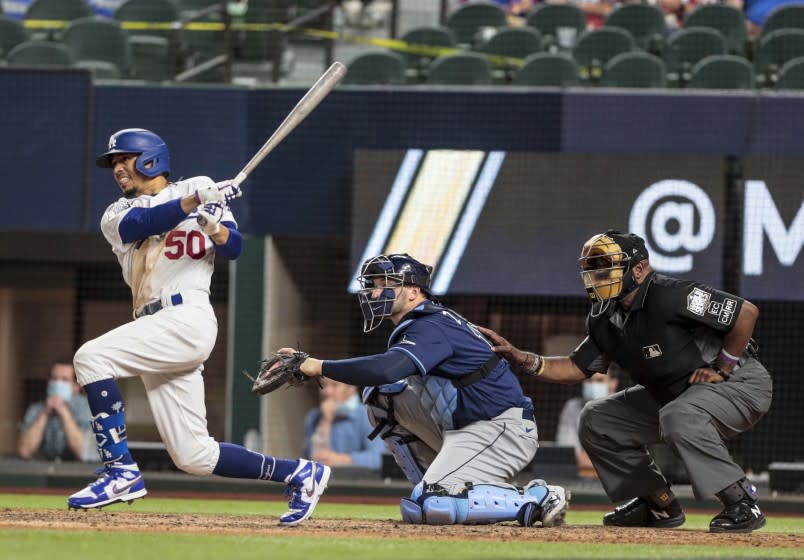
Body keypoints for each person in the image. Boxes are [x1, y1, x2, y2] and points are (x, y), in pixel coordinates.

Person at [67, 128, 329, 526]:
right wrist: (194, 204)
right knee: (194, 456)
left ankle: (120, 472)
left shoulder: (200, 185)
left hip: (186, 315)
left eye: (125, 158)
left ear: (151, 158)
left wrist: (211, 223)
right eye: (114, 162)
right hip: (152, 324)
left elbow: (234, 248)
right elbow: (144, 222)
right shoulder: (115, 213)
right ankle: (299, 474)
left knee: (91, 357)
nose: (117, 167)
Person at [478, 230, 772, 534]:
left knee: (677, 415)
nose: (595, 275)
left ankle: (741, 502)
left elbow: (745, 313)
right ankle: (657, 504)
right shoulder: (604, 316)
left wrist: (723, 367)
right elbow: (576, 368)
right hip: (676, 395)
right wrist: (521, 357)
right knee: (597, 419)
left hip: (739, 384)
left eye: (605, 266)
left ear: (639, 269)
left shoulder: (671, 294)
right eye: (591, 268)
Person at [283, 253, 568, 527]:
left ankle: (537, 497)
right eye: (373, 286)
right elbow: (384, 379)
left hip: (501, 428)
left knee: (433, 505)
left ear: (413, 291)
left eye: (385, 285)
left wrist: (318, 366)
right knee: (380, 396)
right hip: (465, 426)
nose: (374, 294)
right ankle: (435, 487)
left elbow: (387, 368)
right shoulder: (421, 322)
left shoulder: (432, 324)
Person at [304, 378, 386, 471]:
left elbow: (378, 459)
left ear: (351, 387)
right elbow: (312, 459)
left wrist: (341, 459)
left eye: (335, 385)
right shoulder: (314, 417)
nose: (327, 391)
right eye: (324, 385)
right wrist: (325, 421)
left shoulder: (368, 415)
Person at [18, 360, 93, 462]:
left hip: (78, 473)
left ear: (76, 386)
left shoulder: (87, 408)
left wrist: (63, 412)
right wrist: (44, 413)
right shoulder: (36, 409)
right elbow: (25, 451)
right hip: (46, 472)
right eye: (54, 378)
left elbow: (83, 452)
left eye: (64, 380)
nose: (58, 383)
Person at [555, 372, 618, 478]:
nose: (593, 385)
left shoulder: (626, 408)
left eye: (599, 380)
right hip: (578, 478)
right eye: (589, 380)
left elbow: (623, 461)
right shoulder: (572, 407)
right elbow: (567, 454)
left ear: (613, 383)